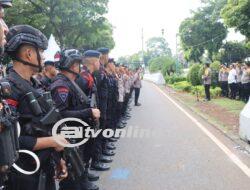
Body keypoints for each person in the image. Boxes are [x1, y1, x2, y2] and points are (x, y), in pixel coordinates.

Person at [4, 24, 68, 190]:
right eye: (40, 52)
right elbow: (10, 143)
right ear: (29, 54)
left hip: (44, 168)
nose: (43, 55)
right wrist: (52, 141)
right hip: (24, 176)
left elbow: (42, 127)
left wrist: (58, 158)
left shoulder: (34, 84)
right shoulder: (8, 89)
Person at [49, 49, 100, 190]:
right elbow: (61, 115)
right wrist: (88, 111)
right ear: (72, 66)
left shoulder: (71, 82)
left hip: (77, 134)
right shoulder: (61, 85)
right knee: (70, 177)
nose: (80, 67)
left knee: (77, 170)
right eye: (78, 64)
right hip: (69, 136)